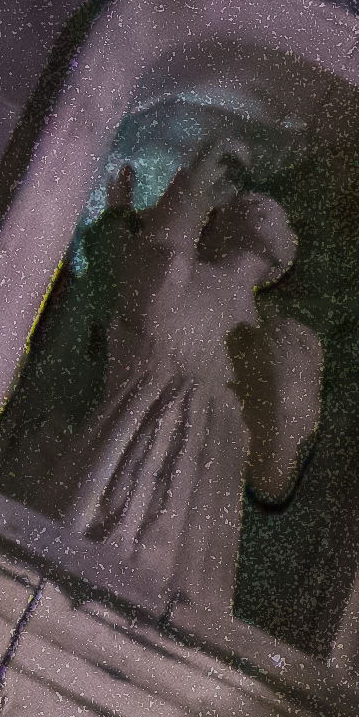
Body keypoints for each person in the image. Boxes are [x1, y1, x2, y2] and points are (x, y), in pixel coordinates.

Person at [64, 144, 323, 622]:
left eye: (277, 218)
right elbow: (148, 289)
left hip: (207, 471)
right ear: (219, 225)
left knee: (176, 599)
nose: (268, 214)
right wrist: (191, 189)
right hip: (138, 433)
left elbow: (275, 464)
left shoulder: (268, 337)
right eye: (251, 207)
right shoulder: (180, 266)